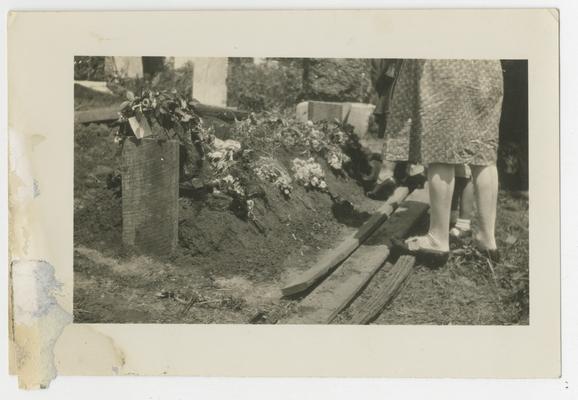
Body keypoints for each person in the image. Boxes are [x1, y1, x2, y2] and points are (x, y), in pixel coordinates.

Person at [384, 60, 503, 267]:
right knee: (484, 151)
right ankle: (487, 240)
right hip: (486, 65)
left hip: (447, 65)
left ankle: (437, 239)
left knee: (441, 148)